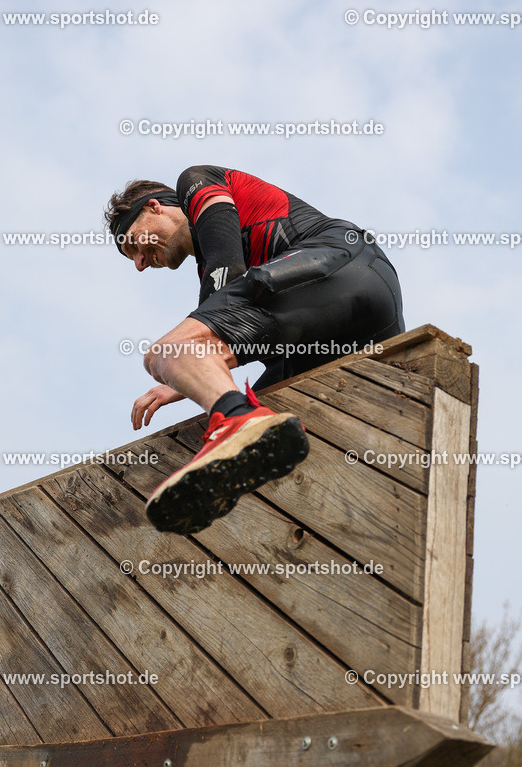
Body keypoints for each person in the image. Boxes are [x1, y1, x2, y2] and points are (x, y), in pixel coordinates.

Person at [105, 164, 405, 535]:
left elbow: (225, 265)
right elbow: (231, 299)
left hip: (339, 260)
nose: (138, 263)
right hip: (354, 322)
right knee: (277, 419)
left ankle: (234, 420)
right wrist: (191, 374)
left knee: (161, 353)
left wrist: (182, 358)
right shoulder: (213, 274)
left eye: (134, 242)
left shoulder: (195, 181)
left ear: (155, 207)